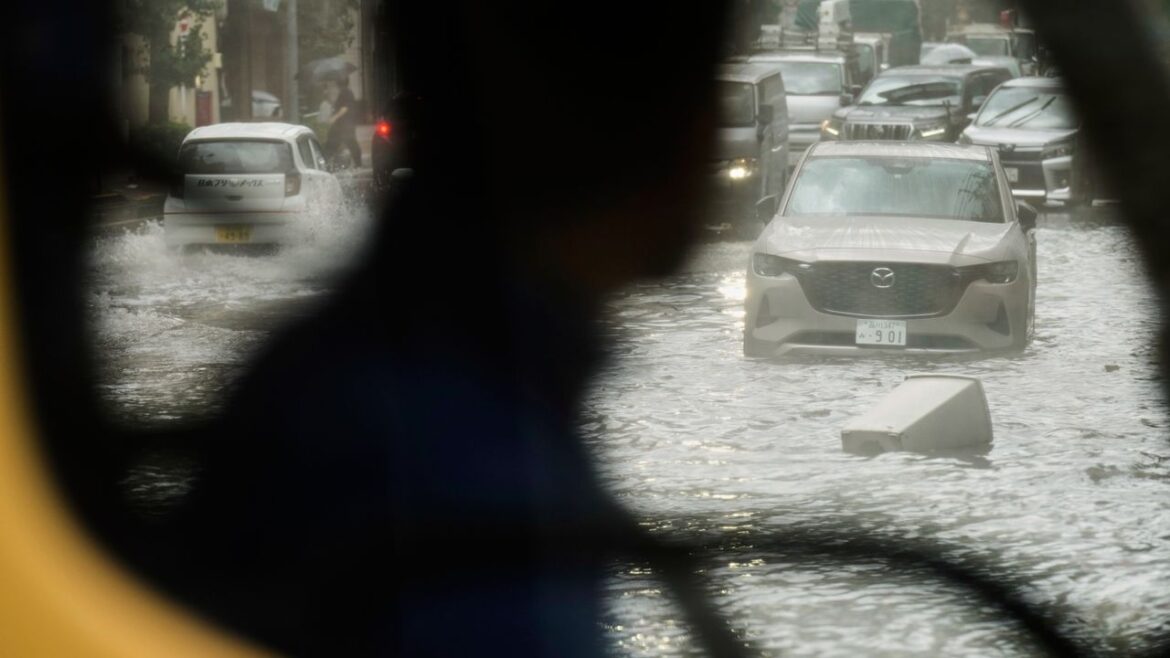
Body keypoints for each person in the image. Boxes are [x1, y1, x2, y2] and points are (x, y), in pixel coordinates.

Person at [324, 77, 362, 168]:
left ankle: (325, 163)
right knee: (348, 143)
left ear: (338, 83)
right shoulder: (346, 92)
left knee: (333, 144)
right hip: (344, 125)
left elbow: (345, 108)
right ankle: (357, 163)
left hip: (343, 126)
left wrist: (334, 118)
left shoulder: (345, 92)